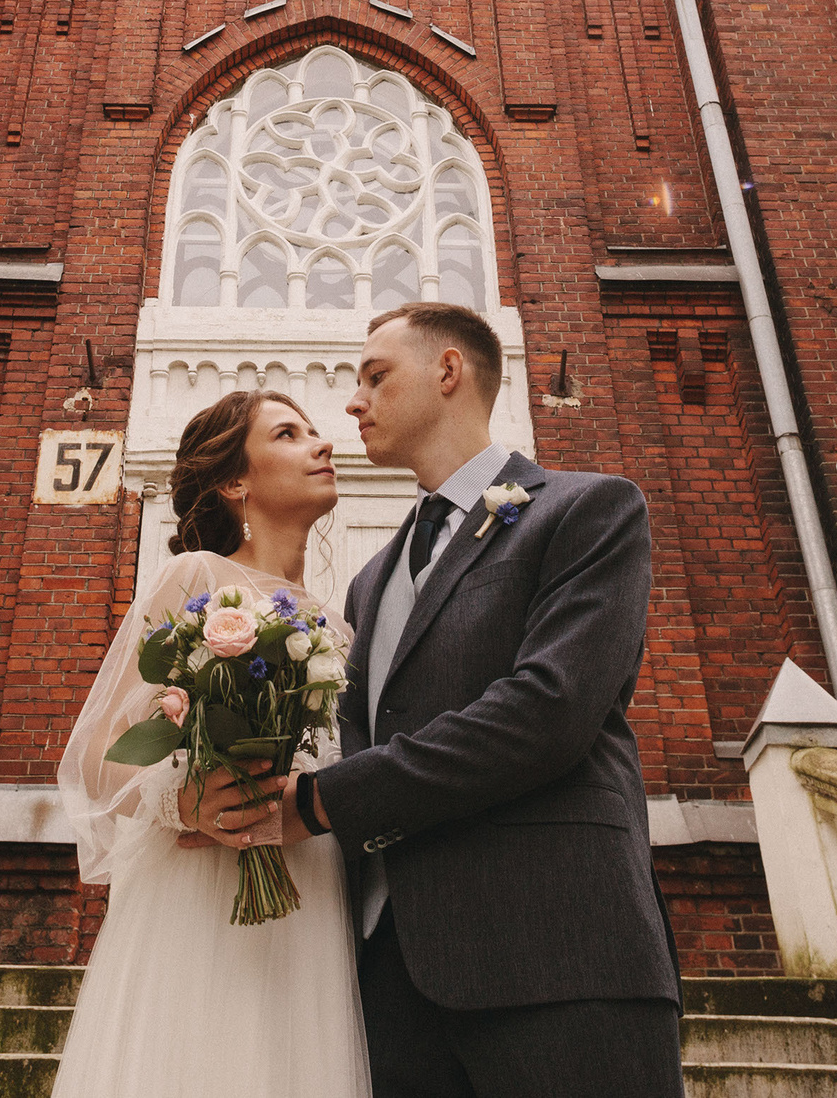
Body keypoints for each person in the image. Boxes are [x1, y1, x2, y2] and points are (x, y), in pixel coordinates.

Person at [286, 302, 685, 1098]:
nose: (353, 403)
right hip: (393, 982)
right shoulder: (369, 581)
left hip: (560, 957)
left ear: (448, 371)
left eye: (374, 376)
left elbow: (548, 709)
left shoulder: (588, 510)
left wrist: (319, 801)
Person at [51, 390, 373, 1098]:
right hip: (202, 892)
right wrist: (185, 801)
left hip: (311, 888)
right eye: (291, 433)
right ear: (237, 481)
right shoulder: (195, 577)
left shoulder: (342, 625)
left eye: (318, 431)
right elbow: (99, 754)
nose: (323, 444)